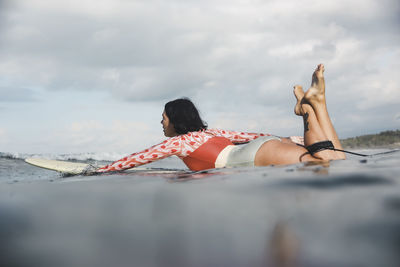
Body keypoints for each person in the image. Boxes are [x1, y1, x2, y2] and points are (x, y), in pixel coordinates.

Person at [96, 64, 345, 173]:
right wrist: (290, 139)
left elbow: (140, 158)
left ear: (175, 119)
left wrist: (101, 170)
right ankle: (319, 103)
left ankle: (308, 110)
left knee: (321, 166)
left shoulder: (179, 142)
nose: (161, 123)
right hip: (263, 146)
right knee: (336, 159)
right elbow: (254, 136)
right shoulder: (212, 132)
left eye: (163, 118)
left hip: (253, 157)